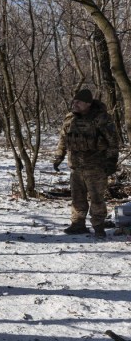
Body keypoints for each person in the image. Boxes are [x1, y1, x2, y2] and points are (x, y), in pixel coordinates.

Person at [52, 89, 119, 238]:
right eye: (74, 101)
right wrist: (58, 156)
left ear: (88, 104)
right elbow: (63, 140)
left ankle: (99, 227)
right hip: (75, 167)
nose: (74, 104)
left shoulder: (101, 119)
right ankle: (77, 224)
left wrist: (111, 161)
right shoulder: (69, 119)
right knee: (77, 198)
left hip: (96, 166)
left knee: (97, 199)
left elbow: (113, 141)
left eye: (78, 102)